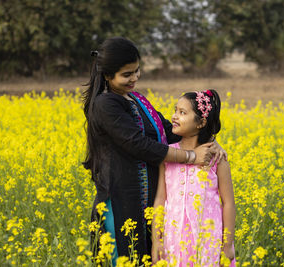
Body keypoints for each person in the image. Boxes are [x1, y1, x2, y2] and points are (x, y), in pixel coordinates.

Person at [82, 37, 226, 265]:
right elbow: (138, 144)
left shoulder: (137, 100)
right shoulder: (105, 104)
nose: (134, 78)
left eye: (137, 71)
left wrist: (208, 142)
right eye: (127, 74)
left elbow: (171, 131)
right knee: (123, 257)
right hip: (121, 201)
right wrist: (191, 157)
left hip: (147, 202)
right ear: (108, 76)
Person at [152, 89, 236, 266]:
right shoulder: (168, 155)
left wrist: (227, 245)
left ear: (201, 123)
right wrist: (156, 240)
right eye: (175, 110)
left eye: (182, 112)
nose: (174, 116)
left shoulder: (216, 158)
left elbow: (228, 202)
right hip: (172, 239)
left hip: (208, 240)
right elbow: (160, 199)